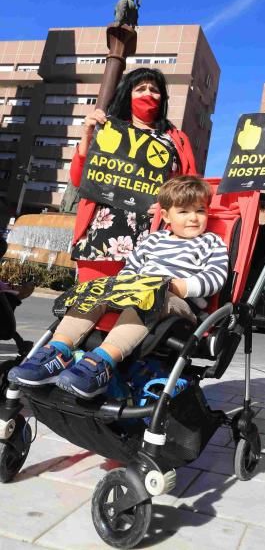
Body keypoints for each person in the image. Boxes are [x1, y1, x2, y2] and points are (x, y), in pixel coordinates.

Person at [9, 176, 229, 398]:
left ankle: (101, 363)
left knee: (149, 298)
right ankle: (56, 352)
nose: (193, 218)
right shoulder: (154, 240)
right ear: (165, 216)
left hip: (176, 301)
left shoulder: (211, 242)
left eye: (200, 211)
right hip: (139, 291)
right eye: (184, 212)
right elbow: (131, 268)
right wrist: (122, 287)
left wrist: (182, 286)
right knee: (94, 293)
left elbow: (216, 277)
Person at [70, 67, 197, 293]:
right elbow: (80, 179)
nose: (147, 94)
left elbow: (191, 188)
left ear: (163, 98)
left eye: (154, 90)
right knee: (90, 305)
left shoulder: (177, 139)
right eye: (140, 89)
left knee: (133, 314)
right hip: (102, 234)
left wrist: (171, 204)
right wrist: (87, 134)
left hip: (154, 238)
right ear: (127, 94)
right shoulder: (109, 129)